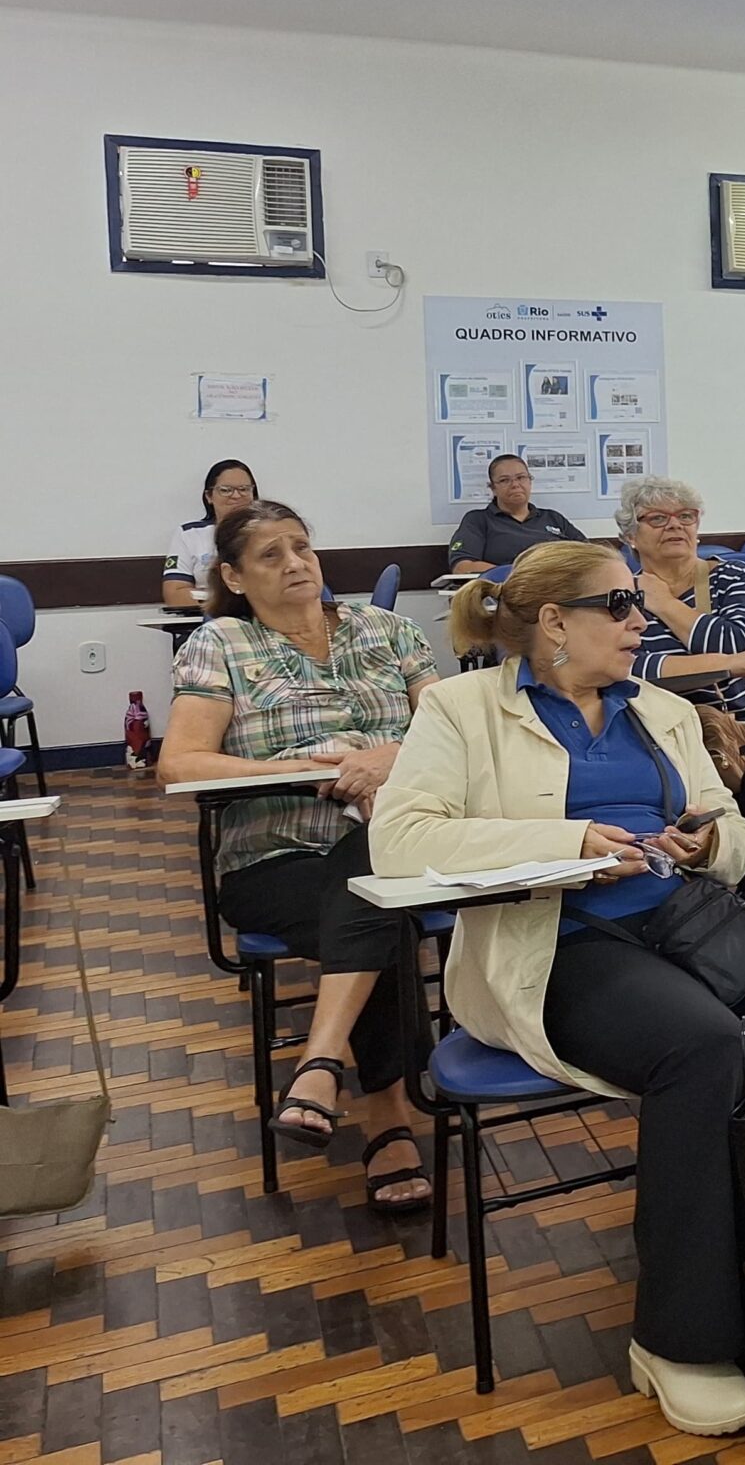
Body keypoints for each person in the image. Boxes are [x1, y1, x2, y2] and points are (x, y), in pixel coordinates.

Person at [372, 541, 745, 1437]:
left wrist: (707, 844)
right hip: (559, 936)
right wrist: (569, 840)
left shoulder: (659, 708)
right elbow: (403, 841)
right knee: (697, 1043)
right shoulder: (462, 708)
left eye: (637, 606)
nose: (641, 622)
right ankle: (679, 1337)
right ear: (553, 622)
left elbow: (732, 831)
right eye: (619, 606)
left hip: (681, 916)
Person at [157, 499, 440, 1214]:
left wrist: (388, 756)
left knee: (377, 868)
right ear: (233, 575)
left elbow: (456, 736)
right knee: (387, 909)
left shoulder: (389, 630)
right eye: (271, 556)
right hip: (274, 855)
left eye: (302, 548)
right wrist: (296, 769)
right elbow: (180, 763)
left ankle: (321, 1062)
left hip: (399, 838)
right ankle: (388, 1117)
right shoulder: (221, 642)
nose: (295, 565)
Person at [616, 476, 745, 717]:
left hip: (733, 726)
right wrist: (729, 664)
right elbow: (626, 667)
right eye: (658, 518)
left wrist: (665, 603)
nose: (675, 525)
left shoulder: (733, 575)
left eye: (686, 516)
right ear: (631, 536)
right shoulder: (621, 593)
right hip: (652, 727)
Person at [447, 454, 587, 574]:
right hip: (506, 593)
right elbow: (462, 567)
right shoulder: (478, 520)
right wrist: (518, 575)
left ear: (530, 481)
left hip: (561, 590)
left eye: (521, 477)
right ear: (493, 488)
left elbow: (591, 556)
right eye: (504, 480)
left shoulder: (553, 518)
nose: (515, 484)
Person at [162, 459, 259, 607]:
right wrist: (223, 602)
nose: (236, 496)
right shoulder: (189, 534)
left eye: (244, 489)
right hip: (207, 616)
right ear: (209, 496)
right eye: (226, 490)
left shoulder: (269, 531)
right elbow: (174, 594)